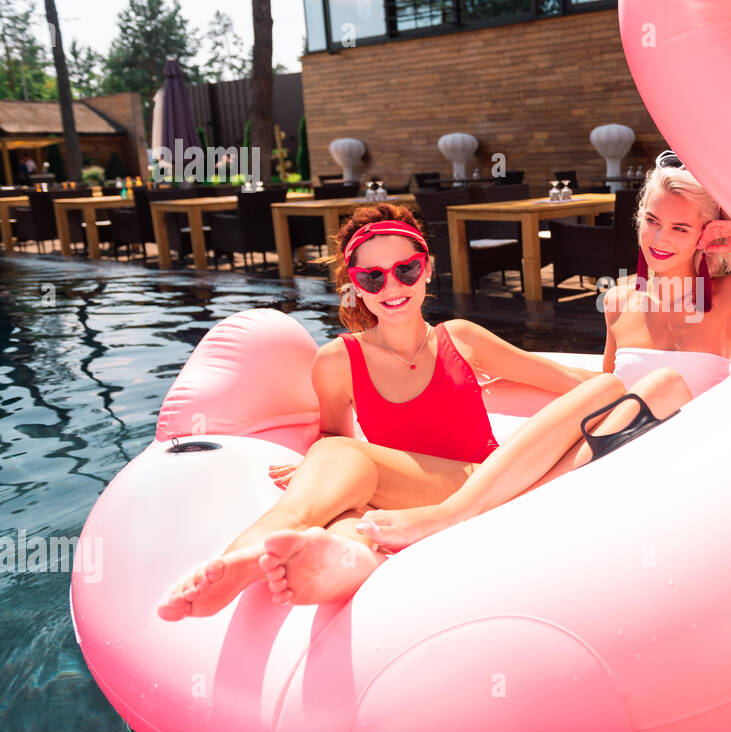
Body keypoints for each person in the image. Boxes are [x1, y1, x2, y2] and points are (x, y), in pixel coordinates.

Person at [157, 202, 609, 620]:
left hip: (480, 482)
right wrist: (318, 469)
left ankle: (289, 553)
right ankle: (242, 564)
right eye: (373, 277)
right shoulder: (337, 361)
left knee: (346, 461)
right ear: (355, 285)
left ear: (427, 269)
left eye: (405, 270)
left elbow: (573, 383)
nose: (391, 287)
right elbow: (333, 437)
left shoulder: (462, 339)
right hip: (401, 494)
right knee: (338, 497)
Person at [350, 150, 731, 557]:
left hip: (687, 462)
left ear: (705, 236)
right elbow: (600, 407)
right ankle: (460, 512)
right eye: (652, 221)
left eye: (680, 228)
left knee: (664, 384)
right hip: (610, 467)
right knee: (605, 386)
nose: (660, 238)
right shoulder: (618, 301)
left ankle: (466, 512)